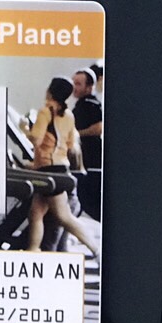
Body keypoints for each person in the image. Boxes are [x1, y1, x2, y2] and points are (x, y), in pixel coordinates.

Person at [25, 77, 99, 257]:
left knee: (63, 216)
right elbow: (71, 143)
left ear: (50, 91)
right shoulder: (69, 116)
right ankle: (32, 251)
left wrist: (25, 128)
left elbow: (36, 139)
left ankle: (96, 249)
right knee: (35, 213)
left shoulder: (45, 112)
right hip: (60, 167)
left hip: (49, 170)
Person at [71, 68, 103, 220]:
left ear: (89, 87)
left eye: (78, 84)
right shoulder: (80, 105)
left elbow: (99, 128)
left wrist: (77, 134)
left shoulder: (91, 104)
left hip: (91, 160)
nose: (74, 87)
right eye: (73, 83)